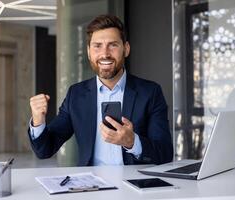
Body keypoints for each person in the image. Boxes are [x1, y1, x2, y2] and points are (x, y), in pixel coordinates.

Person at [28, 14, 173, 166]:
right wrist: (38, 121)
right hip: (90, 185)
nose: (105, 53)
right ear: (89, 52)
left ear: (126, 49)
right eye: (97, 46)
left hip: (134, 185)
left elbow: (165, 154)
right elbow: (45, 150)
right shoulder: (76, 94)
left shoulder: (150, 92)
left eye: (113, 45)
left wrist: (132, 142)